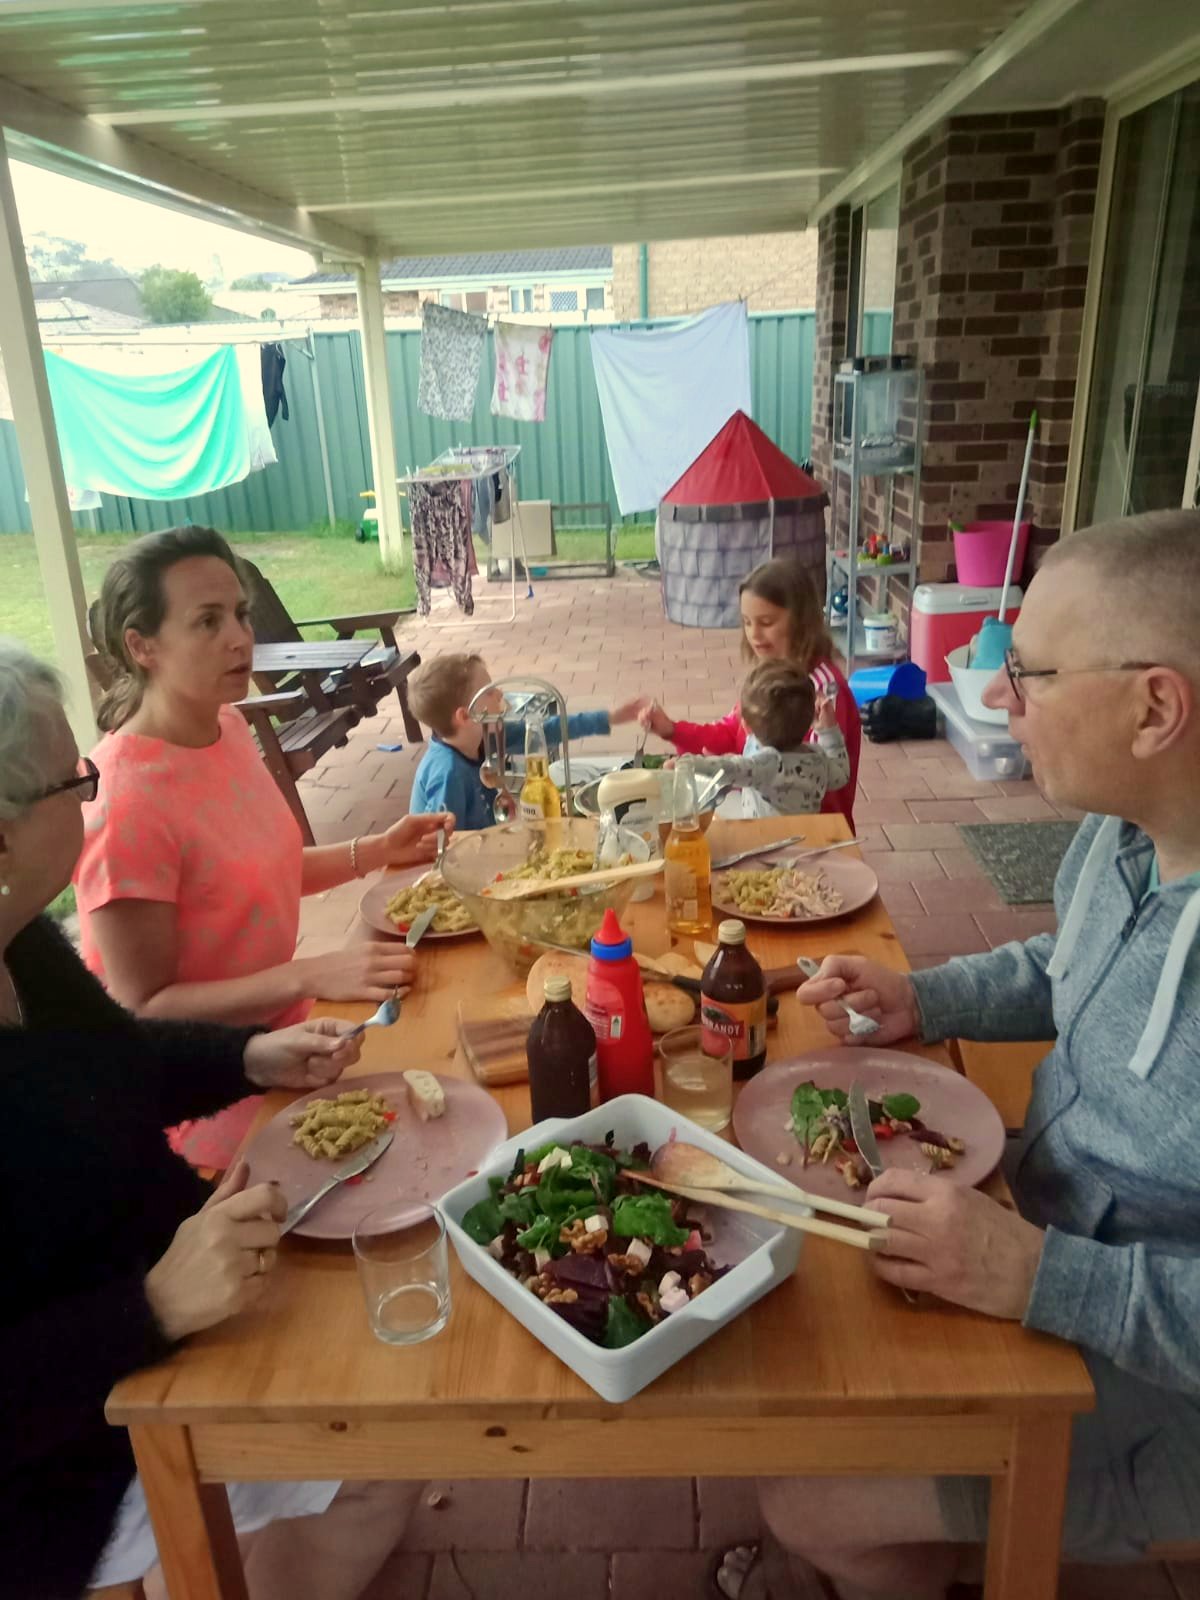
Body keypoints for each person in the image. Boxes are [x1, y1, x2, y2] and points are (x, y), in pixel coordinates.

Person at [734, 510, 1200, 1600]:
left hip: (1164, 1380)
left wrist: (1041, 1276)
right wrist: (920, 995)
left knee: (806, 1493)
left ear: (1155, 708)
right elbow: (1064, 964)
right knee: (807, 1297)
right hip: (1046, 1212)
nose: (997, 694)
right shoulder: (1129, 831)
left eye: (1028, 672)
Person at [0, 641, 423, 1600]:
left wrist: (246, 1058)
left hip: (176, 1289)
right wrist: (151, 1307)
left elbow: (112, 1063)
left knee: (387, 1355)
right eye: (72, 780)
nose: (91, 792)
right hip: (68, 1454)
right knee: (384, 1444)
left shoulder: (20, 942)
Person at [74, 524, 453, 1171]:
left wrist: (377, 848)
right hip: (202, 1092)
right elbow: (144, 1007)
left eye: (241, 614)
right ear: (142, 646)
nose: (239, 637)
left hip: (291, 1033)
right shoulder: (123, 803)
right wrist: (309, 974)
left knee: (441, 1049)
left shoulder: (223, 724)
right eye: (207, 621)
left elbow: (253, 871)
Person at [639, 558, 861, 826]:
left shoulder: (825, 691)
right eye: (746, 622)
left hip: (814, 833)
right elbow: (732, 732)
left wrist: (726, 772)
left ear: (801, 621)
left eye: (766, 622)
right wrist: (673, 730)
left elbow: (803, 778)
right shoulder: (771, 676)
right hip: (765, 820)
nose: (754, 634)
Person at [407, 649, 647, 827]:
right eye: (489, 691)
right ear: (465, 716)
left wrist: (611, 718)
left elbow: (547, 730)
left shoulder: (484, 736)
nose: (499, 693)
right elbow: (444, 845)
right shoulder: (447, 774)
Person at [682, 659, 849, 818]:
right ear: (810, 722)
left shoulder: (765, 765)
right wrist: (828, 731)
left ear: (746, 726)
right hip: (807, 834)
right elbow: (841, 774)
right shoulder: (819, 759)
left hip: (764, 835)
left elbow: (730, 769)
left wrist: (687, 764)